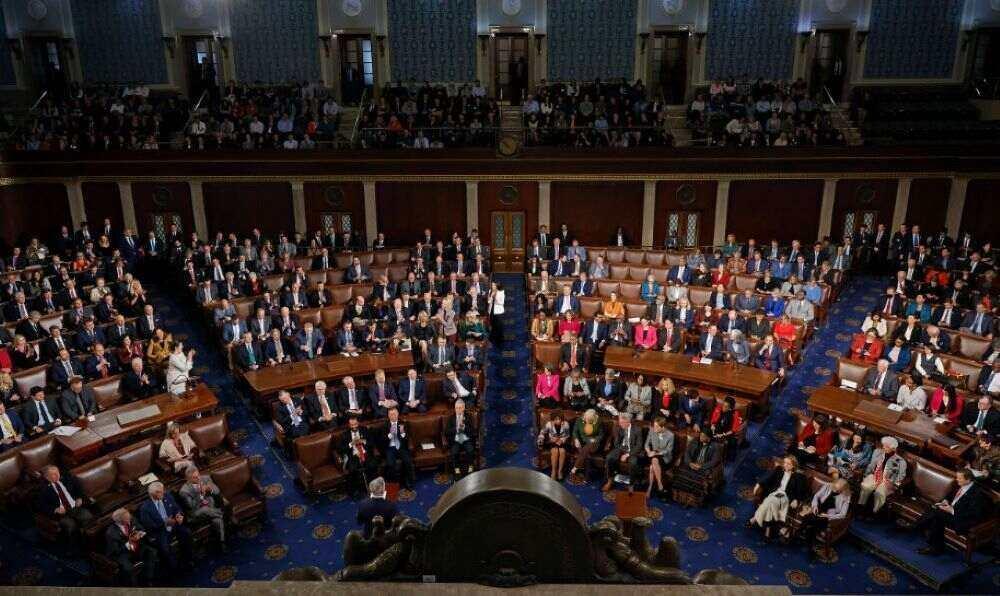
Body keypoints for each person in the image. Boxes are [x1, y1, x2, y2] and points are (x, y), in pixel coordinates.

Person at [914, 468, 986, 556]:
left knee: (936, 512)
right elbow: (949, 495)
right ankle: (935, 547)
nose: (956, 479)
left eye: (959, 478)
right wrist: (945, 501)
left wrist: (952, 510)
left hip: (962, 520)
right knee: (936, 512)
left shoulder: (977, 494)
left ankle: (917, 526)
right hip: (950, 512)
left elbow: (974, 514)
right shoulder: (960, 485)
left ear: (968, 480)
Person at [748, 455, 810, 540]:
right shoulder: (778, 470)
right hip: (774, 493)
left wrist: (796, 499)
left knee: (769, 501)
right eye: (785, 463)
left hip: (785, 496)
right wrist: (758, 484)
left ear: (793, 466)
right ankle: (767, 531)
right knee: (770, 503)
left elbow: (802, 491)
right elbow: (768, 478)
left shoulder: (798, 477)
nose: (785, 465)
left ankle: (754, 519)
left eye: (788, 464)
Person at [138, 481, 192, 571]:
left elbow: (176, 508)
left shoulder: (167, 496)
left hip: (174, 524)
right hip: (160, 531)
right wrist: (164, 523)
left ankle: (188, 559)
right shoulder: (145, 508)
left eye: (163, 490)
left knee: (187, 533)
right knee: (165, 549)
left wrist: (179, 515)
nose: (163, 493)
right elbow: (148, 526)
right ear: (153, 494)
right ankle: (175, 569)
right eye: (160, 492)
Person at [37, 465, 94, 549]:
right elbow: (41, 506)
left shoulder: (67, 479)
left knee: (88, 516)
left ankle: (87, 543)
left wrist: (79, 498)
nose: (57, 475)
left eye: (58, 473)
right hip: (62, 514)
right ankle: (73, 547)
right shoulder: (44, 490)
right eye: (53, 474)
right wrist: (55, 509)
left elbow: (79, 489)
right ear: (47, 477)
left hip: (75, 507)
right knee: (71, 525)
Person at [795, 478, 851, 561]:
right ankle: (810, 550)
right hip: (818, 509)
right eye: (835, 487)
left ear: (843, 489)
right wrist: (815, 506)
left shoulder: (846, 497)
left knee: (810, 522)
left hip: (828, 517)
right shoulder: (828, 486)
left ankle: (798, 533)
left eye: (838, 489)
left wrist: (827, 515)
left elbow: (843, 514)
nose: (835, 489)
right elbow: (816, 496)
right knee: (811, 523)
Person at [106, 507, 158, 586]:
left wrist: (139, 534)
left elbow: (141, 529)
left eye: (129, 517)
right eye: (127, 519)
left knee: (152, 553)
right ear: (121, 521)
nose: (130, 519)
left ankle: (148, 579)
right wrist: (129, 542)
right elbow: (116, 550)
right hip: (123, 553)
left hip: (138, 546)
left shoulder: (131, 519)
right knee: (129, 569)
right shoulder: (111, 533)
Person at [178, 466, 226, 551]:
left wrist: (210, 489)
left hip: (210, 508)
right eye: (195, 478)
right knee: (205, 509)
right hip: (195, 513)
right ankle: (223, 513)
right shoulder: (184, 491)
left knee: (217, 520)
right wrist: (200, 494)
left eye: (198, 475)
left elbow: (217, 491)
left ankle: (221, 542)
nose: (198, 478)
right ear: (188, 479)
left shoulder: (206, 478)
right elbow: (191, 506)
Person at [858, 436, 907, 516]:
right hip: (875, 476)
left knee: (879, 493)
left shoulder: (901, 461)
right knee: (865, 486)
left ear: (893, 448)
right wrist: (866, 474)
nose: (883, 447)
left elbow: (901, 476)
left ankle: (874, 511)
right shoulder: (877, 452)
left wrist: (893, 483)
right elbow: (871, 465)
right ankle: (860, 506)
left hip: (887, 481)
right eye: (883, 445)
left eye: (886, 446)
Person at [602, 413, 643, 491]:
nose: (620, 424)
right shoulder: (619, 428)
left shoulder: (637, 430)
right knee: (609, 457)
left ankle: (631, 485)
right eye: (620, 422)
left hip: (632, 450)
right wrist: (621, 450)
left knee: (633, 463)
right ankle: (610, 480)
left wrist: (627, 454)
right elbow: (616, 443)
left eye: (622, 423)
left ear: (628, 422)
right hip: (621, 448)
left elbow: (639, 446)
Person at [340, 415, 378, 497]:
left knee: (373, 465)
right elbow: (341, 449)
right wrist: (351, 444)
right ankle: (354, 491)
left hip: (365, 453)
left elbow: (372, 442)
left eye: (356, 424)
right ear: (349, 425)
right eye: (352, 425)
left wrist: (364, 441)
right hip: (353, 455)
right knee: (352, 470)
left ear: (358, 423)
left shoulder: (365, 430)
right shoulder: (345, 434)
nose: (354, 427)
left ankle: (374, 487)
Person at [381, 407, 415, 490]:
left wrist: (403, 433)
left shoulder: (403, 423)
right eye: (391, 414)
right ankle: (394, 483)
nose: (393, 416)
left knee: (408, 461)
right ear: (388, 416)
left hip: (401, 447)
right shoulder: (385, 425)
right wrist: (390, 435)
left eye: (394, 414)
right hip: (390, 448)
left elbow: (407, 438)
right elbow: (382, 440)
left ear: (398, 414)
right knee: (390, 464)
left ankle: (409, 482)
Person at [445, 399, 476, 477]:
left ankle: (470, 468)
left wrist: (465, 427)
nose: (457, 410)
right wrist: (456, 428)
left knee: (470, 450)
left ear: (463, 408)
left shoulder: (468, 417)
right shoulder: (451, 418)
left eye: (459, 408)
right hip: (456, 440)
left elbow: (472, 431)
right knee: (454, 452)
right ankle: (456, 469)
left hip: (466, 439)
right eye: (456, 408)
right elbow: (446, 432)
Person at [644, 417, 674, 497]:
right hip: (652, 454)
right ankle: (660, 485)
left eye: (657, 427)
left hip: (664, 457)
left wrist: (656, 453)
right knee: (654, 460)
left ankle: (650, 487)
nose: (654, 428)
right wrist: (649, 451)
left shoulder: (670, 435)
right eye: (654, 426)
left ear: (663, 427)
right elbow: (646, 444)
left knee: (652, 466)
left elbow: (668, 450)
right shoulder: (652, 430)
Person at [569, 409, 603, 477]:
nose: (587, 421)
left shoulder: (598, 421)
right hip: (582, 442)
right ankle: (586, 476)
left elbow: (601, 435)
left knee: (588, 447)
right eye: (586, 419)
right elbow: (574, 432)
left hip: (593, 444)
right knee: (586, 454)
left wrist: (595, 439)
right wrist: (576, 439)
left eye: (589, 420)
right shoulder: (579, 420)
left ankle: (575, 467)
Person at [537, 412, 570, 481]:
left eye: (560, 419)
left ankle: (560, 472)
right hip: (552, 442)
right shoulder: (549, 424)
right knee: (555, 451)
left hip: (562, 443)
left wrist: (562, 440)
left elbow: (567, 435)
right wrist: (541, 439)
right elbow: (542, 432)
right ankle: (553, 471)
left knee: (562, 451)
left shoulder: (566, 424)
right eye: (556, 419)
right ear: (552, 420)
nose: (558, 421)